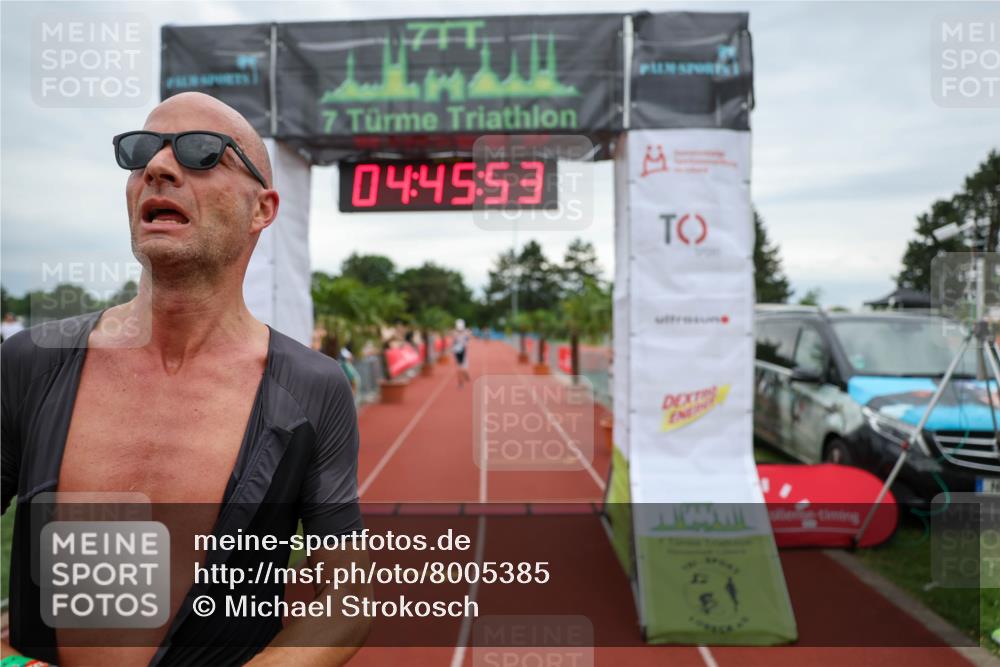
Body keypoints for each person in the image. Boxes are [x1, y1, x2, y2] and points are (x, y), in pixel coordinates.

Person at [0, 92, 370, 666]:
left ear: (262, 209)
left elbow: (347, 597)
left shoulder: (313, 389)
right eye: (141, 151)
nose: (158, 167)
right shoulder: (34, 361)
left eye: (201, 154)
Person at [453, 319, 471, 387]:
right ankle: (462, 379)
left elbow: (454, 341)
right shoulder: (466, 332)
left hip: (459, 350)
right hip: (461, 350)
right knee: (461, 367)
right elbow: (468, 338)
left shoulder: (455, 333)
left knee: (459, 367)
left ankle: (461, 381)